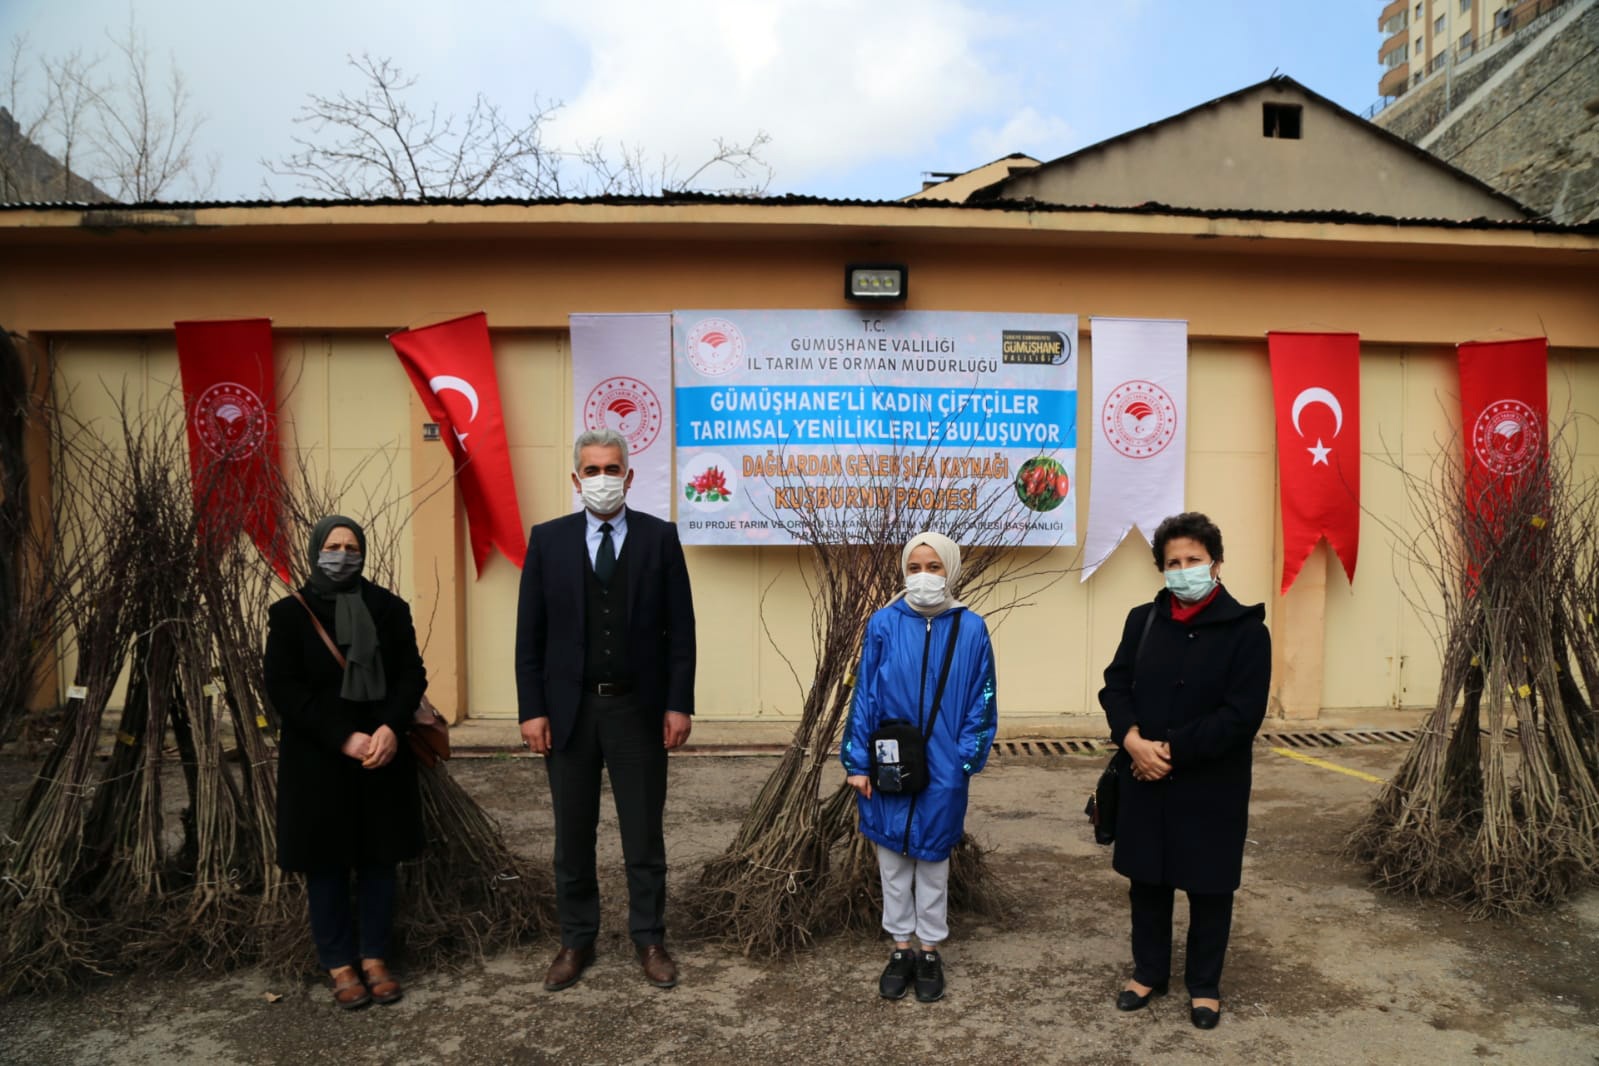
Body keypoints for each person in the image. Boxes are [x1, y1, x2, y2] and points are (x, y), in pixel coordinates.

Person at [515, 428, 696, 992]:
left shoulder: (660, 538)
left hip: (637, 711)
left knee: (643, 834)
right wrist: (532, 709)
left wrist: (678, 703)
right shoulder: (548, 540)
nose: (602, 479)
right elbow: (529, 636)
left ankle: (650, 938)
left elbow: (681, 631)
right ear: (576, 479)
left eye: (611, 469)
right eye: (591, 470)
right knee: (572, 836)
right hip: (569, 713)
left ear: (629, 476)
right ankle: (576, 940)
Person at [1098, 511, 1270, 1030]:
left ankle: (1204, 985)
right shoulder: (1142, 621)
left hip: (1210, 783)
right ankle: (1148, 972)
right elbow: (1115, 687)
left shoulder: (1246, 632)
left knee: (1209, 886)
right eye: (1172, 562)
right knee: (1147, 881)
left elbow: (1241, 715)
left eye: (1194, 559)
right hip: (1142, 776)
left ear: (1215, 563)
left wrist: (1168, 752)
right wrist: (1132, 741)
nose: (1183, 569)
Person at [264, 515, 428, 1010]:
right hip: (319, 758)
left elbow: (411, 675)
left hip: (381, 753)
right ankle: (339, 965)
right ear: (316, 551)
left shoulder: (388, 608)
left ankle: (375, 959)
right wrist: (342, 738)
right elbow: (284, 689)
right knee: (326, 863)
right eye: (332, 546)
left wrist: (389, 728)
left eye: (351, 547)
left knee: (380, 858)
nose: (342, 555)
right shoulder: (290, 614)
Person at [841, 531, 997, 1004]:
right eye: (914, 568)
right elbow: (865, 695)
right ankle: (901, 948)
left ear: (951, 570)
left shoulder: (971, 628)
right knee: (891, 861)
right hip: (888, 762)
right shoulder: (884, 623)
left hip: (943, 769)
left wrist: (963, 761)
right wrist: (858, 761)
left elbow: (982, 700)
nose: (923, 576)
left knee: (932, 862)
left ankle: (929, 950)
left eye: (934, 567)